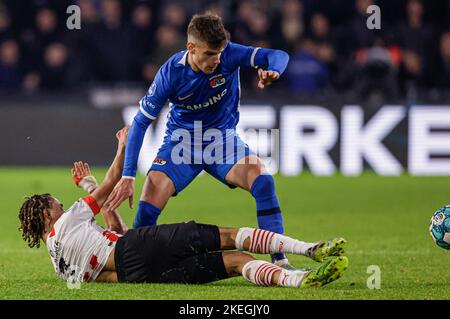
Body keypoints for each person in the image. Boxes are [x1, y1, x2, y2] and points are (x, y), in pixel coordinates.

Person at [18, 127, 349, 286]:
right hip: (138, 246)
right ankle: (311, 250)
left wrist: (109, 212)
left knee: (235, 263)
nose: (61, 204)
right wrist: (122, 148)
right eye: (55, 204)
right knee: (230, 236)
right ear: (47, 215)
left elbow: (114, 240)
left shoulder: (60, 265)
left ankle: (300, 281)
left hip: (138, 274)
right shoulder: (69, 220)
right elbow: (112, 181)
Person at [103, 12, 301, 270]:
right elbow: (140, 122)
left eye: (219, 53)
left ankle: (280, 261)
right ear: (191, 48)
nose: (216, 60)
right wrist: (128, 176)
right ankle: (135, 264)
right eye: (209, 54)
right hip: (181, 144)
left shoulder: (228, 54)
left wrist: (273, 70)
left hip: (222, 141)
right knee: (149, 202)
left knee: (262, 180)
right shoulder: (170, 73)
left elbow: (278, 56)